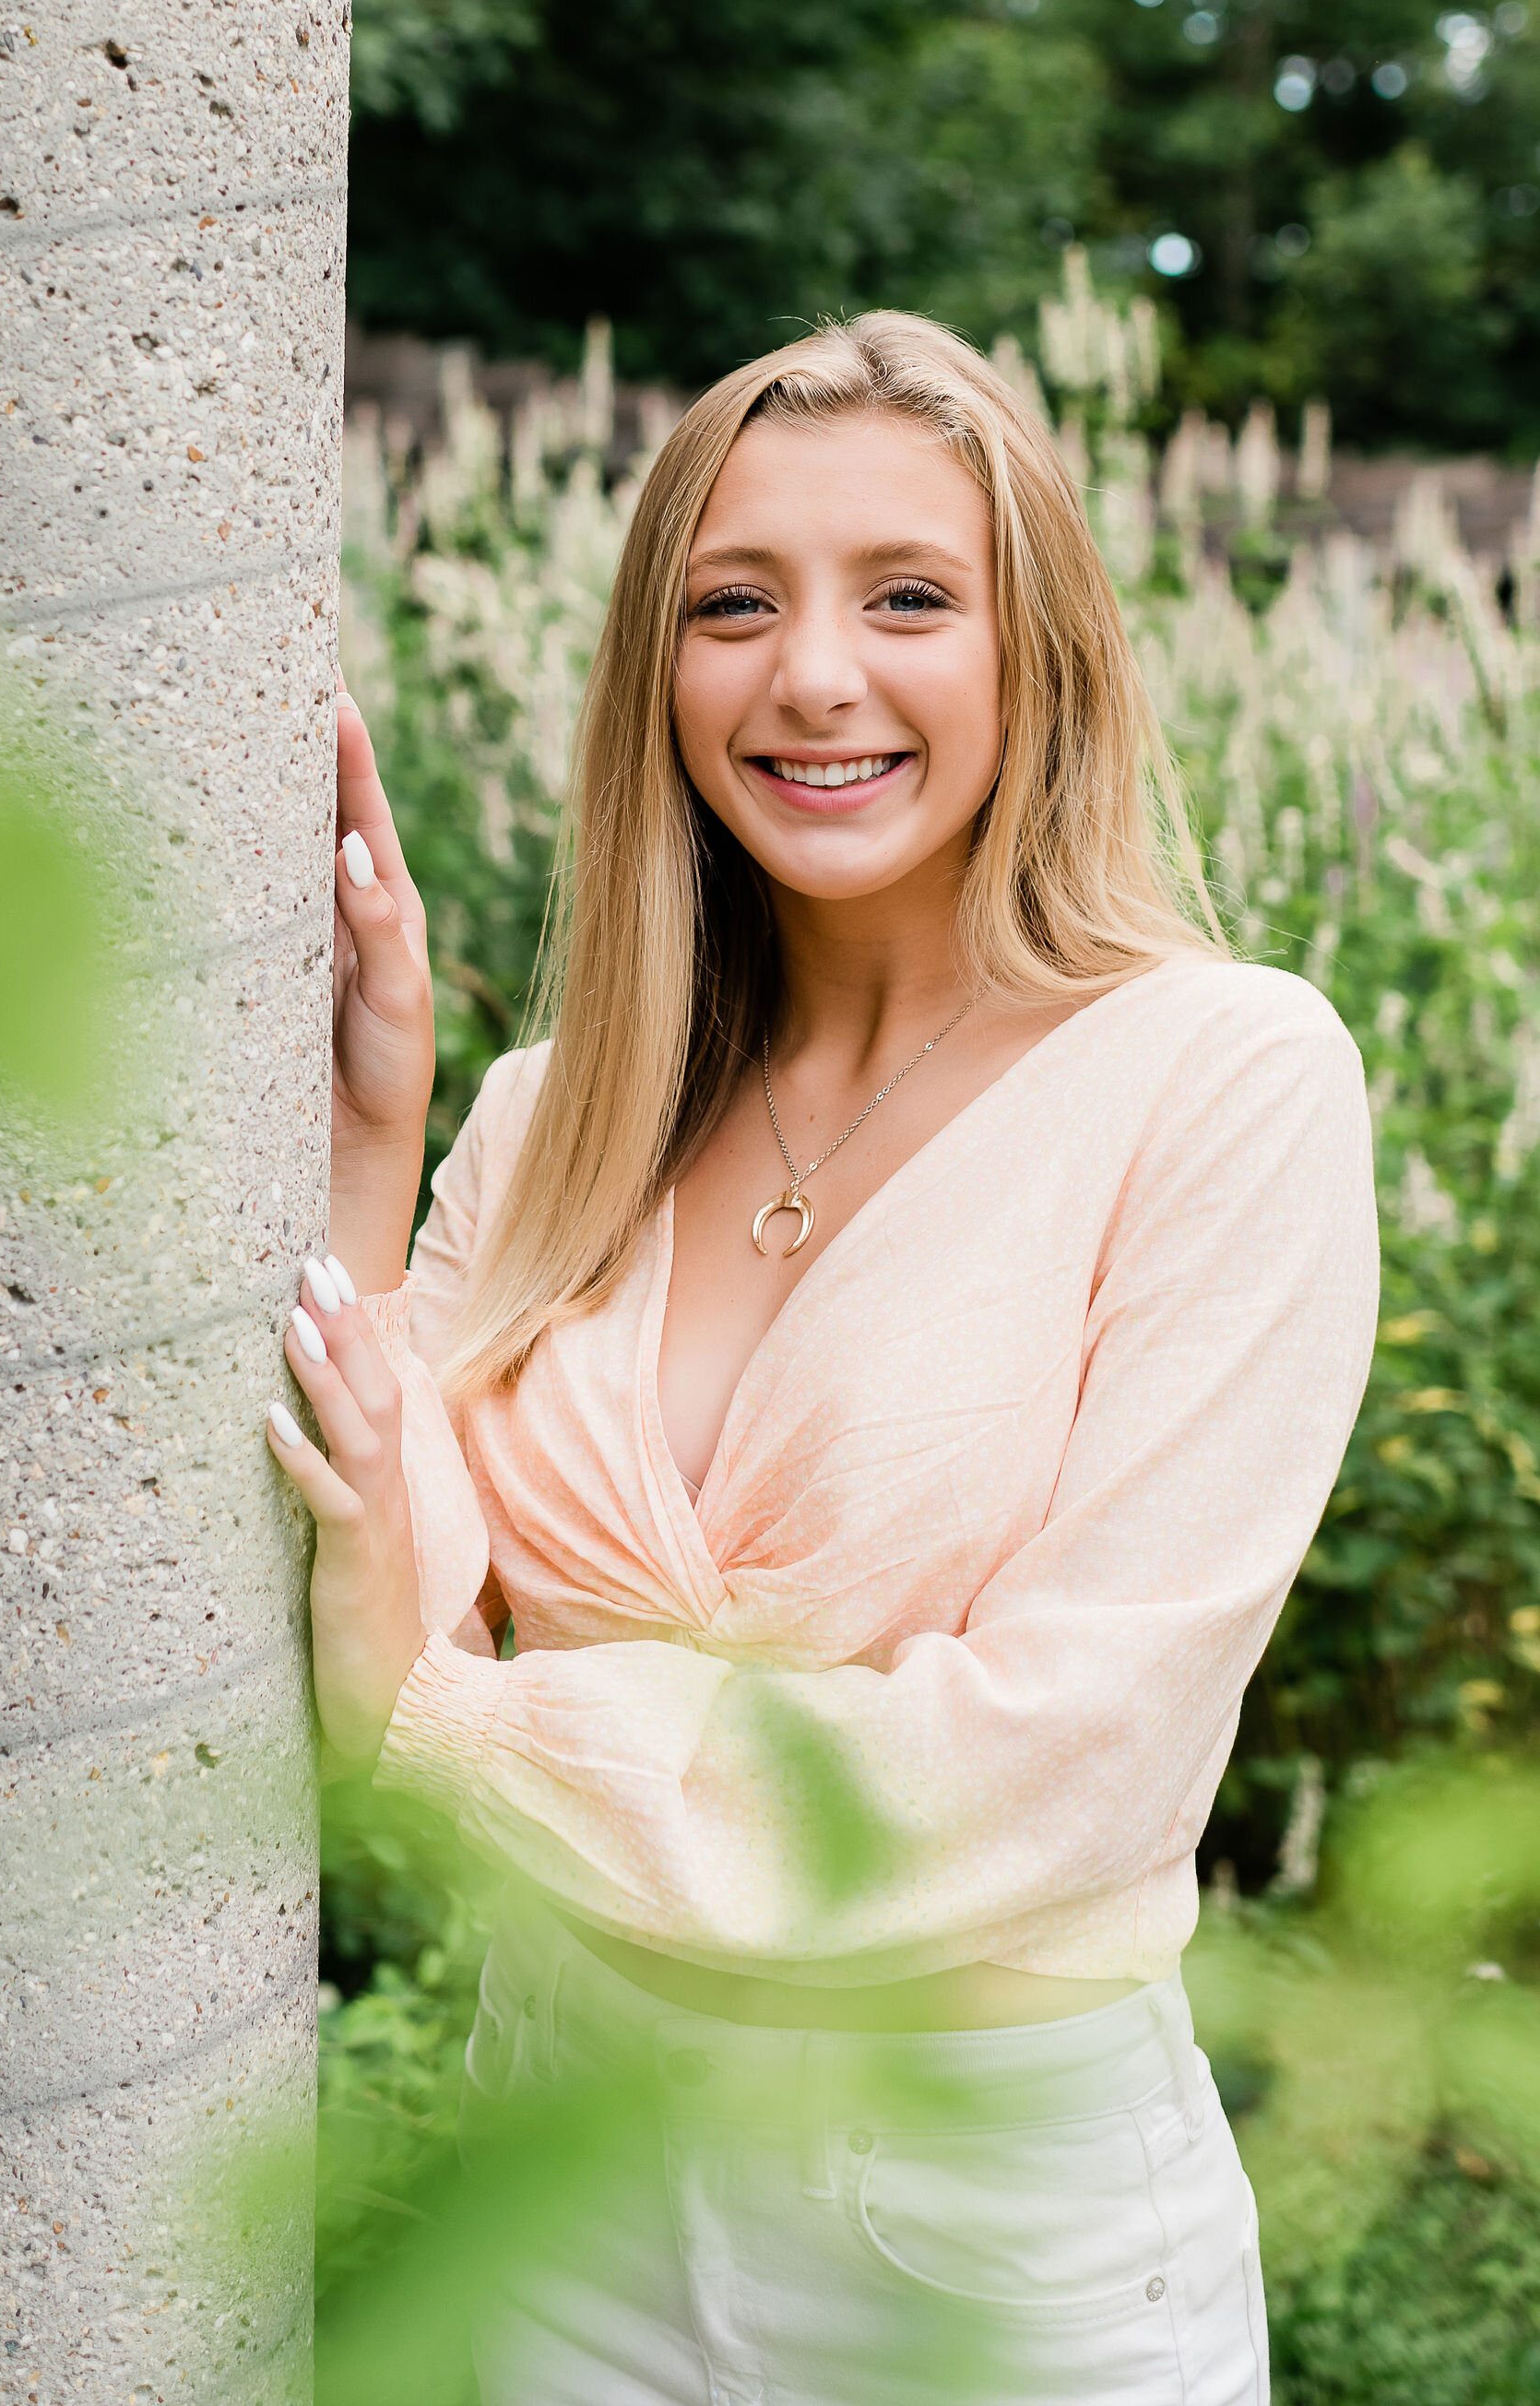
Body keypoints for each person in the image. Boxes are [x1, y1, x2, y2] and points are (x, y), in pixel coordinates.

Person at [267, 312, 1378, 2404]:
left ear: (1032, 650)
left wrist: (460, 1735)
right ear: (652, 673)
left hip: (985, 2235)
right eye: (732, 604)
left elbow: (1059, 1759)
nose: (812, 677)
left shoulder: (1220, 1079)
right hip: (567, 2161)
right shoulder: (546, 1124)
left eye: (908, 598)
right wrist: (367, 1152)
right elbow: (371, 1599)